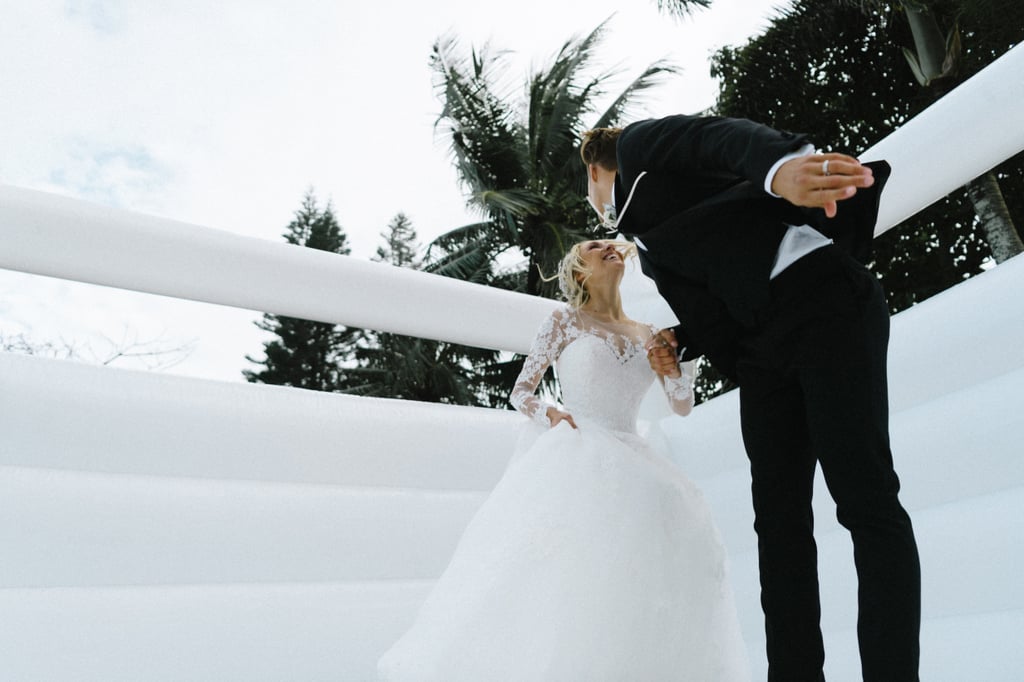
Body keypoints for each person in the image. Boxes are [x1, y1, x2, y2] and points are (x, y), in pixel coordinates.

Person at [580, 115, 921, 682]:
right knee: (778, 524)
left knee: (865, 498)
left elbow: (719, 139)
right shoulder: (647, 241)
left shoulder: (640, 145)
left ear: (594, 169)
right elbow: (726, 291)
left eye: (587, 189)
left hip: (822, 299)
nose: (594, 206)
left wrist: (781, 167)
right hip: (762, 349)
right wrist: (681, 339)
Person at [377, 239, 750, 681]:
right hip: (579, 452)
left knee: (636, 579)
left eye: (611, 244)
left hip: (634, 461)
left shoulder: (648, 332)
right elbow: (521, 393)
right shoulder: (564, 321)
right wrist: (551, 413)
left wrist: (677, 370)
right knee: (570, 579)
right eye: (595, 248)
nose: (609, 248)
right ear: (579, 273)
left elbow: (681, 405)